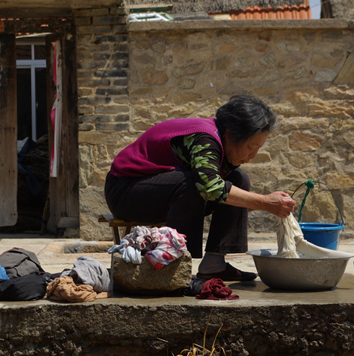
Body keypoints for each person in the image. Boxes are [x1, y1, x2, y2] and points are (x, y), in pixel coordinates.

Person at [104, 95, 296, 281]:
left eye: (258, 149)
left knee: (239, 179)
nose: (253, 155)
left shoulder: (220, 145)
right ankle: (176, 265)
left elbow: (222, 195)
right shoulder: (205, 139)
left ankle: (214, 263)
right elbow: (210, 188)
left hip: (159, 193)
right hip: (125, 192)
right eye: (250, 147)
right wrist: (264, 202)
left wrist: (265, 204)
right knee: (192, 183)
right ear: (230, 135)